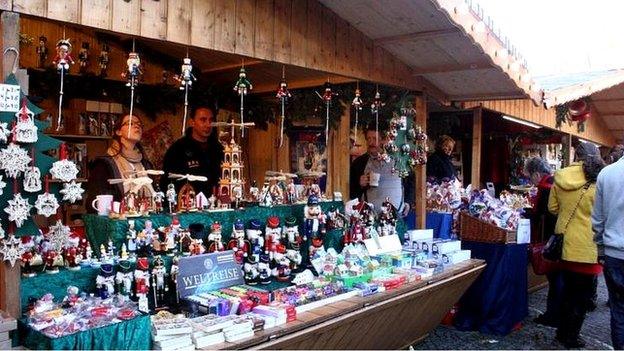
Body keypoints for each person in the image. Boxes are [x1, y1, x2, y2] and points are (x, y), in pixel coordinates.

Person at [548, 143, 605, 348]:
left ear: (576, 155)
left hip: (565, 243)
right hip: (588, 245)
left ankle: (561, 332)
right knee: (582, 297)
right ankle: (571, 336)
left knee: (567, 291)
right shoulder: (600, 179)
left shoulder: (560, 175)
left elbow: (552, 208)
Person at [87, 114, 154, 210]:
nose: (137, 126)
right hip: (118, 221)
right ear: (118, 131)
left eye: (139, 124)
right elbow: (95, 202)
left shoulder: (146, 165)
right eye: (130, 123)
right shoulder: (104, 165)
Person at [524, 157, 562, 327]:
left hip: (549, 238)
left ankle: (553, 315)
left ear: (537, 174)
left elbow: (540, 214)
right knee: (557, 278)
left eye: (530, 176)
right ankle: (556, 313)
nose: (530, 181)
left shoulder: (545, 188)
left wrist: (524, 213)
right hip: (560, 237)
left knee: (555, 278)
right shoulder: (555, 182)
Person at [592, 148, 624, 350]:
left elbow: (598, 219)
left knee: (619, 310)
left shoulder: (607, 173)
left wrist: (601, 250)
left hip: (614, 253)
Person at [349, 121, 414, 215]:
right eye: (368, 138)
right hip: (369, 218)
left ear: (383, 140)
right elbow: (351, 193)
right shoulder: (359, 163)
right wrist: (359, 185)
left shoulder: (398, 160)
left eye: (374, 139)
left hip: (397, 215)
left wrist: (408, 203)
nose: (370, 142)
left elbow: (410, 182)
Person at [160, 106, 224, 197]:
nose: (208, 124)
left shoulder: (218, 148)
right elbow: (168, 180)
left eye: (211, 120)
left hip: (217, 203)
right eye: (203, 120)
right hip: (189, 205)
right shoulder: (178, 149)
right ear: (192, 122)